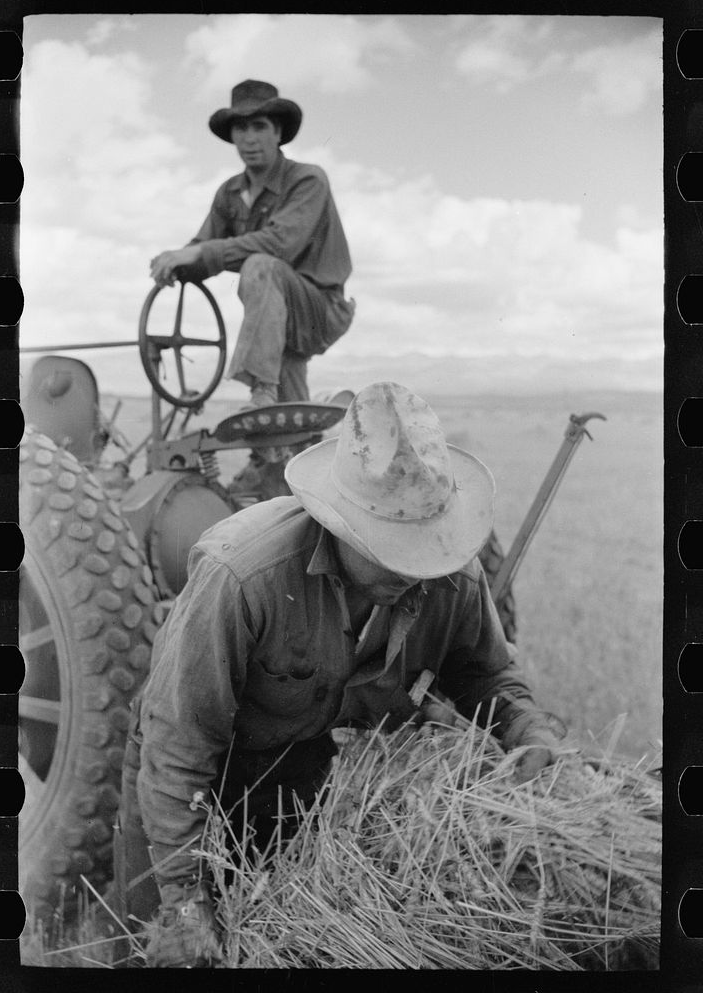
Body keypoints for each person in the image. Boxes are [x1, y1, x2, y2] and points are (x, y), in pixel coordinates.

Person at [113, 381, 565, 967]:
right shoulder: (243, 576)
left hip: (301, 767)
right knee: (169, 952)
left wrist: (528, 729)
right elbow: (179, 743)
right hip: (194, 780)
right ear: (339, 524)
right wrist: (182, 899)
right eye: (391, 548)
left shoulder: (449, 573)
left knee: (277, 944)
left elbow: (487, 675)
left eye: (420, 546)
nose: (413, 570)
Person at [148, 79, 355, 410]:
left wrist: (200, 252)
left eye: (259, 126)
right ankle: (275, 453)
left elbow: (279, 244)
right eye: (240, 128)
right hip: (275, 322)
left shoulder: (307, 180)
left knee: (260, 265)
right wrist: (175, 263)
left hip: (319, 310)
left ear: (277, 132)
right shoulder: (229, 193)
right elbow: (203, 248)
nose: (249, 138)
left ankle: (261, 387)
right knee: (287, 416)